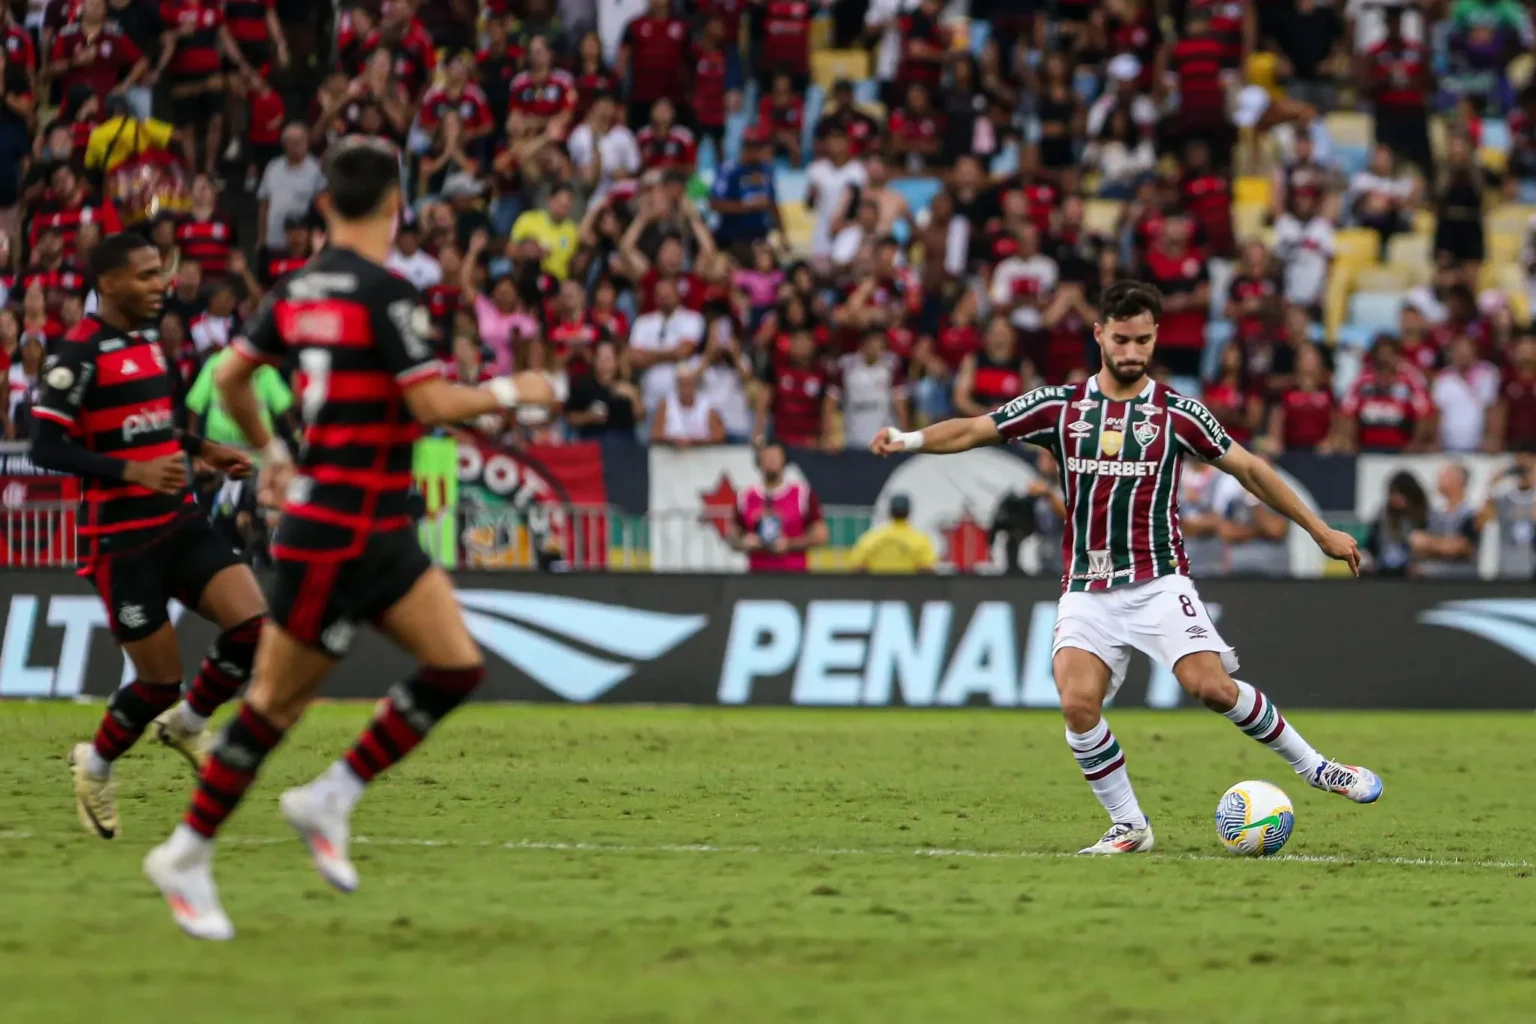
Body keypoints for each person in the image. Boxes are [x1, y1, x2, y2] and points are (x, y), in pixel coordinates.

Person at [141, 138, 557, 942]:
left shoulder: (295, 289)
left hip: (373, 526)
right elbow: (431, 406)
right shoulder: (388, 293)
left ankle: (330, 796)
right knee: (274, 706)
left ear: (324, 206)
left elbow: (230, 377)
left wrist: (276, 450)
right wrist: (517, 389)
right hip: (334, 530)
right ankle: (186, 853)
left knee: (457, 665)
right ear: (398, 208)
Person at [869, 280, 1381, 855]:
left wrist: (1319, 531)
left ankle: (1318, 769)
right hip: (1086, 587)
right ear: (1099, 335)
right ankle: (1130, 826)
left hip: (1159, 579)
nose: (1133, 352)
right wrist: (908, 438)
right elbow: (971, 429)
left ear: (1156, 336)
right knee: (1075, 703)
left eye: (1142, 340)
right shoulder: (1060, 407)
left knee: (1211, 688)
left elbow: (1251, 469)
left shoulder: (1178, 414)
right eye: (1121, 339)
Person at [28, 233, 268, 839]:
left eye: (159, 274)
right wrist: (128, 470)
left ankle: (188, 724)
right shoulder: (77, 353)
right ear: (107, 284)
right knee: (157, 681)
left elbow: (151, 425)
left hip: (179, 521)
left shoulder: (146, 344)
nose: (160, 285)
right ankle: (96, 765)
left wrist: (200, 447)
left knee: (255, 628)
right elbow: (45, 446)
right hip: (120, 542)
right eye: (145, 276)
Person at [726, 441, 828, 573]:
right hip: (757, 576)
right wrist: (745, 542)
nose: (771, 461)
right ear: (759, 461)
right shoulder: (745, 497)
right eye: (767, 457)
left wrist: (789, 544)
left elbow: (821, 535)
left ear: (784, 460)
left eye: (775, 456)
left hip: (794, 575)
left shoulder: (802, 494)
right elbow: (732, 536)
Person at [847, 493, 936, 574]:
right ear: (909, 511)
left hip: (877, 590)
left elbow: (856, 567)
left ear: (890, 511)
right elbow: (927, 569)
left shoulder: (872, 537)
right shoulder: (920, 539)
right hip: (908, 590)